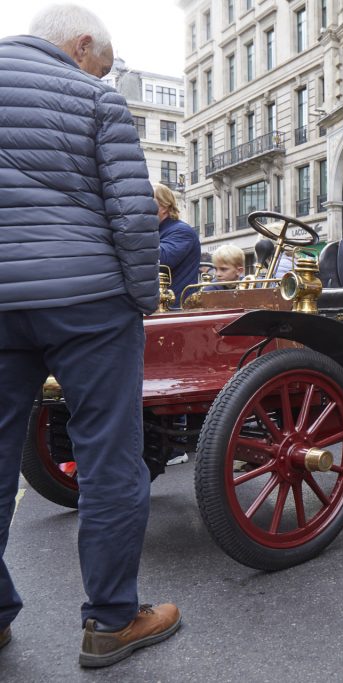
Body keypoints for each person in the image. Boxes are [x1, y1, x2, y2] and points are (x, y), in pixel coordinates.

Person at [0, 4, 180, 666]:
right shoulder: (95, 102)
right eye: (100, 66)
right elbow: (133, 214)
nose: (101, 77)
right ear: (80, 47)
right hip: (88, 297)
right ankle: (111, 619)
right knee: (109, 458)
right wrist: (140, 297)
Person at [154, 183, 200, 307]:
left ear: (164, 206)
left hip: (175, 309)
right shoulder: (158, 231)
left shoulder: (182, 231)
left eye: (148, 200)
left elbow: (161, 261)